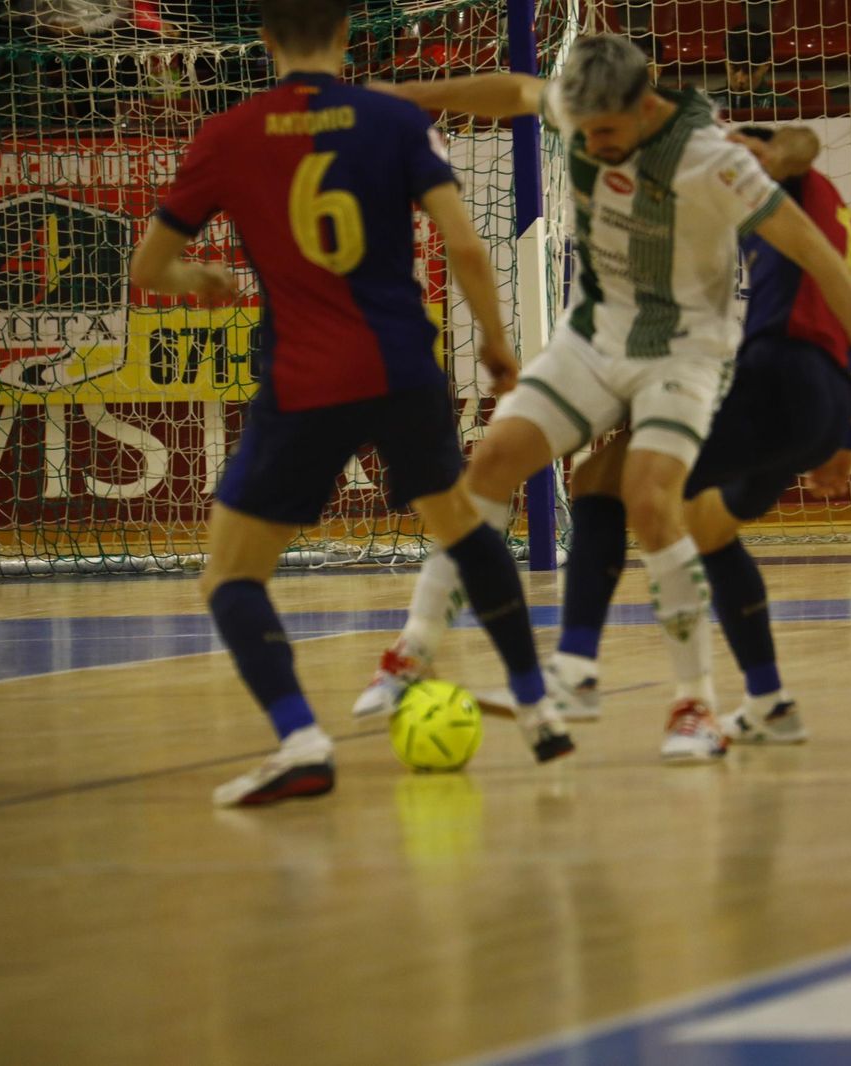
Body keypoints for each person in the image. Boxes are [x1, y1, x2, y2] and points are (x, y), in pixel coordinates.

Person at [356, 35, 851, 762]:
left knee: (651, 499)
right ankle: (416, 649)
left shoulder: (714, 158)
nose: (592, 145)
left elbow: (813, 246)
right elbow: (515, 91)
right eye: (583, 130)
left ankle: (695, 704)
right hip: (597, 336)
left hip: (690, 353)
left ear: (647, 105)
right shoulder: (580, 112)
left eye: (607, 132)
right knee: (495, 459)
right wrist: (411, 100)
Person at [130, 0, 573, 807]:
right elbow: (466, 245)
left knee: (230, 575)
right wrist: (497, 342)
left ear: (265, 42)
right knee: (461, 531)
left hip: (303, 381)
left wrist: (202, 280)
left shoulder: (226, 136)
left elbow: (148, 267)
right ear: (344, 37)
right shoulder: (390, 118)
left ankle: (301, 738)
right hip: (404, 369)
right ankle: (538, 706)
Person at [532, 125, 851, 744]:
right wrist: (844, 443)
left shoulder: (780, 180)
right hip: (820, 407)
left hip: (779, 376)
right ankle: (771, 703)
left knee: (602, 479)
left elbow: (802, 142)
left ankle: (580, 671)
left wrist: (768, 154)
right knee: (709, 526)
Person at [717, 24, 795, 114]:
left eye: (750, 70)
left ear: (767, 64)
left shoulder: (784, 107)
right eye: (734, 68)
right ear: (725, 61)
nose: (741, 80)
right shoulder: (706, 105)